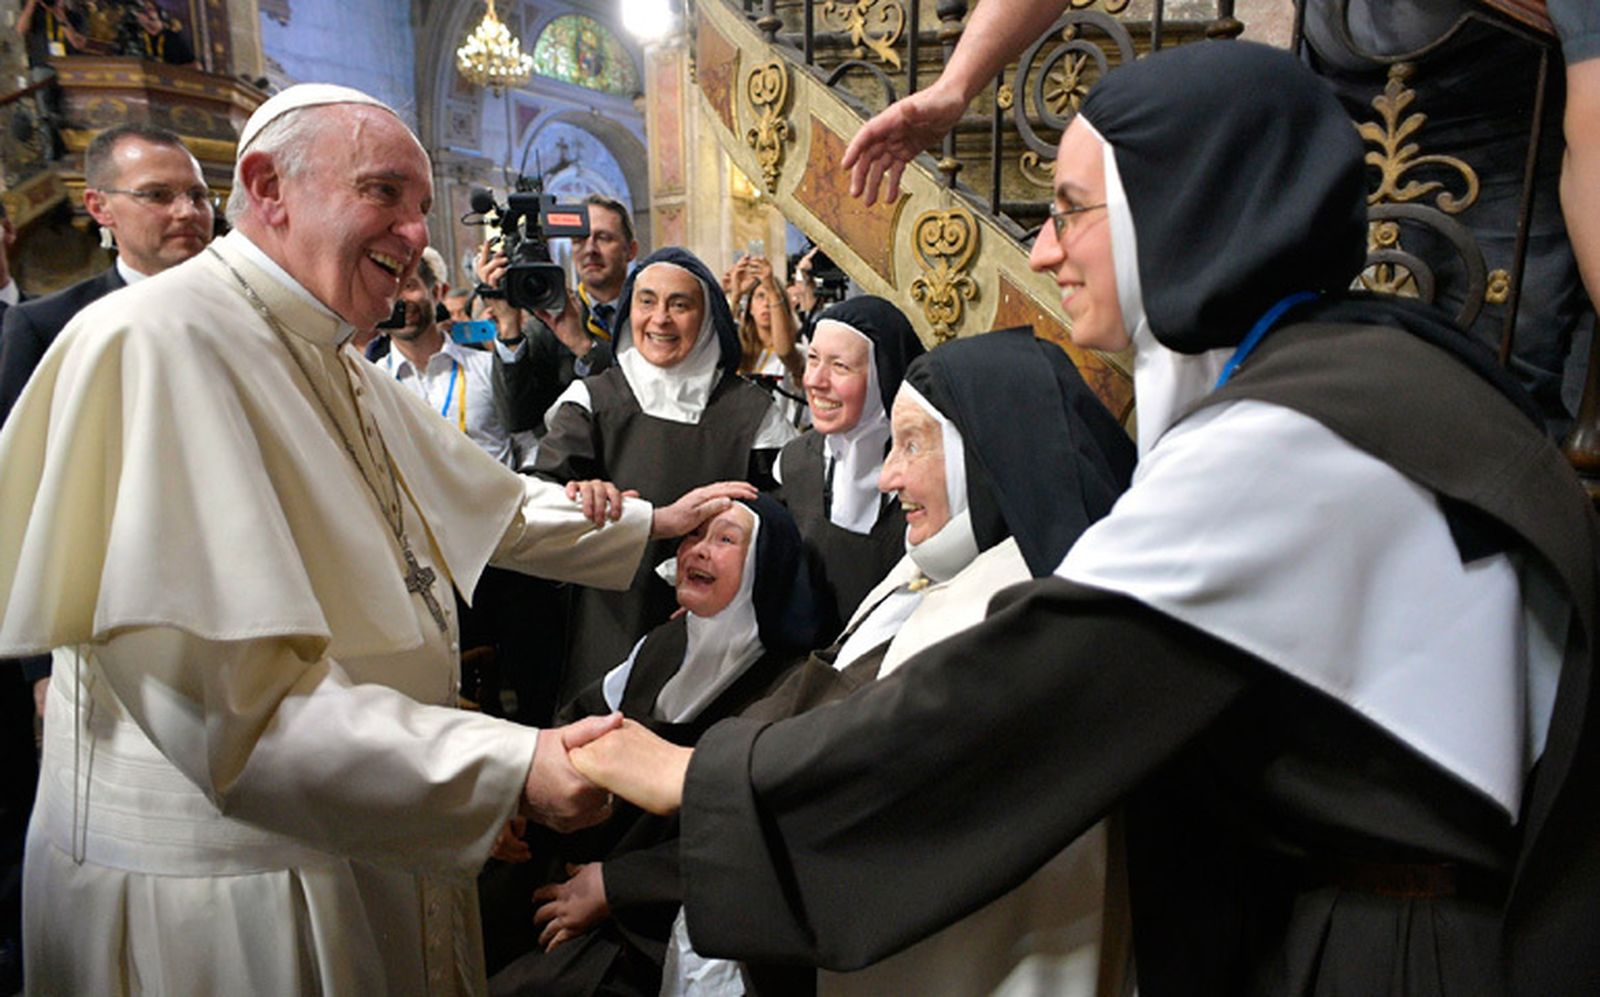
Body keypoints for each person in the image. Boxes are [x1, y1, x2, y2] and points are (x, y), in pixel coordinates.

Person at [572, 43, 1599, 995]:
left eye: (1071, 209)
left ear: (1181, 209)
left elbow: (1014, 696)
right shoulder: (1369, 370)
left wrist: (698, 776)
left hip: (1396, 949)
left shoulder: (1282, 436)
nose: (1047, 249)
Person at [0, 82, 754, 995]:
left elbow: (485, 502)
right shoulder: (157, 342)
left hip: (357, 819)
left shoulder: (324, 350)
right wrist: (509, 767)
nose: (415, 235)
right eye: (383, 193)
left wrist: (653, 523)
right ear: (268, 185)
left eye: (421, 206)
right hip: (226, 893)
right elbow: (239, 719)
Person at [486, 494, 826, 996]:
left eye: (725, 539)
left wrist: (616, 886)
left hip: (659, 915)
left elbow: (757, 839)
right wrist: (517, 789)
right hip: (586, 867)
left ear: (763, 567)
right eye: (693, 536)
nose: (699, 551)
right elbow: (578, 721)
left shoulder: (788, 687)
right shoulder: (662, 644)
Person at [534, 246, 799, 703]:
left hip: (715, 633)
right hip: (608, 618)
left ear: (708, 317)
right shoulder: (592, 400)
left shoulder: (750, 413)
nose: (660, 319)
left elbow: (783, 528)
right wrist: (582, 493)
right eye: (647, 301)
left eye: (680, 304)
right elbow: (537, 501)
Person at [0, 123, 213, 426]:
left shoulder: (246, 308)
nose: (187, 211)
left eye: (197, 195)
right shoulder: (47, 326)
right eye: (157, 195)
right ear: (99, 207)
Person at [772, 295, 924, 638]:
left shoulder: (928, 479)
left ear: (883, 376)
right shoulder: (794, 464)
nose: (815, 380)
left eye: (840, 366)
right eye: (812, 359)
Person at [484, 193, 640, 437]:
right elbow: (516, 419)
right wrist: (508, 325)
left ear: (630, 250)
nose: (590, 249)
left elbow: (643, 395)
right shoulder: (550, 320)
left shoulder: (651, 313)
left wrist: (583, 346)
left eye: (604, 238)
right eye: (579, 239)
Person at [378, 246, 534, 469]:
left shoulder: (488, 368)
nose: (400, 300)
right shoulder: (372, 381)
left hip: (494, 500)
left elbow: (528, 444)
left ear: (438, 292)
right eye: (390, 289)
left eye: (409, 286)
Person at [729, 254, 805, 427]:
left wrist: (772, 288)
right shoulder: (740, 350)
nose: (766, 304)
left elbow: (785, 352)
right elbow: (717, 341)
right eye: (760, 297)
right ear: (750, 308)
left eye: (769, 298)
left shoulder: (799, 352)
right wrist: (735, 295)